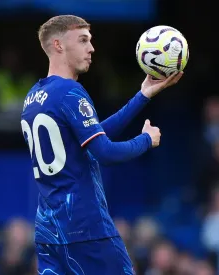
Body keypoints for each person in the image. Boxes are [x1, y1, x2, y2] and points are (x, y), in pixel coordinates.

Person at [20, 15, 183, 274]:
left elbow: (92, 137)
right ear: (59, 45)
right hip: (86, 229)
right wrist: (146, 140)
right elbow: (104, 151)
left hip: (49, 232)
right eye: (83, 40)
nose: (91, 48)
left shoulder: (33, 98)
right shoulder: (70, 92)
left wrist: (143, 96)